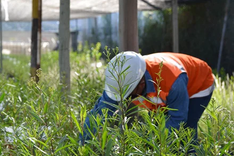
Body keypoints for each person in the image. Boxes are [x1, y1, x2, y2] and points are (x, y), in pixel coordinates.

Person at [82, 51, 215, 144]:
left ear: (141, 83)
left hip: (199, 84)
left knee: (186, 130)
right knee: (159, 124)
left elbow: (178, 119)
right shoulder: (125, 79)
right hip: (164, 90)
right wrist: (84, 143)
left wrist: (152, 143)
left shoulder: (172, 81)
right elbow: (100, 112)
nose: (125, 99)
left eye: (128, 93)